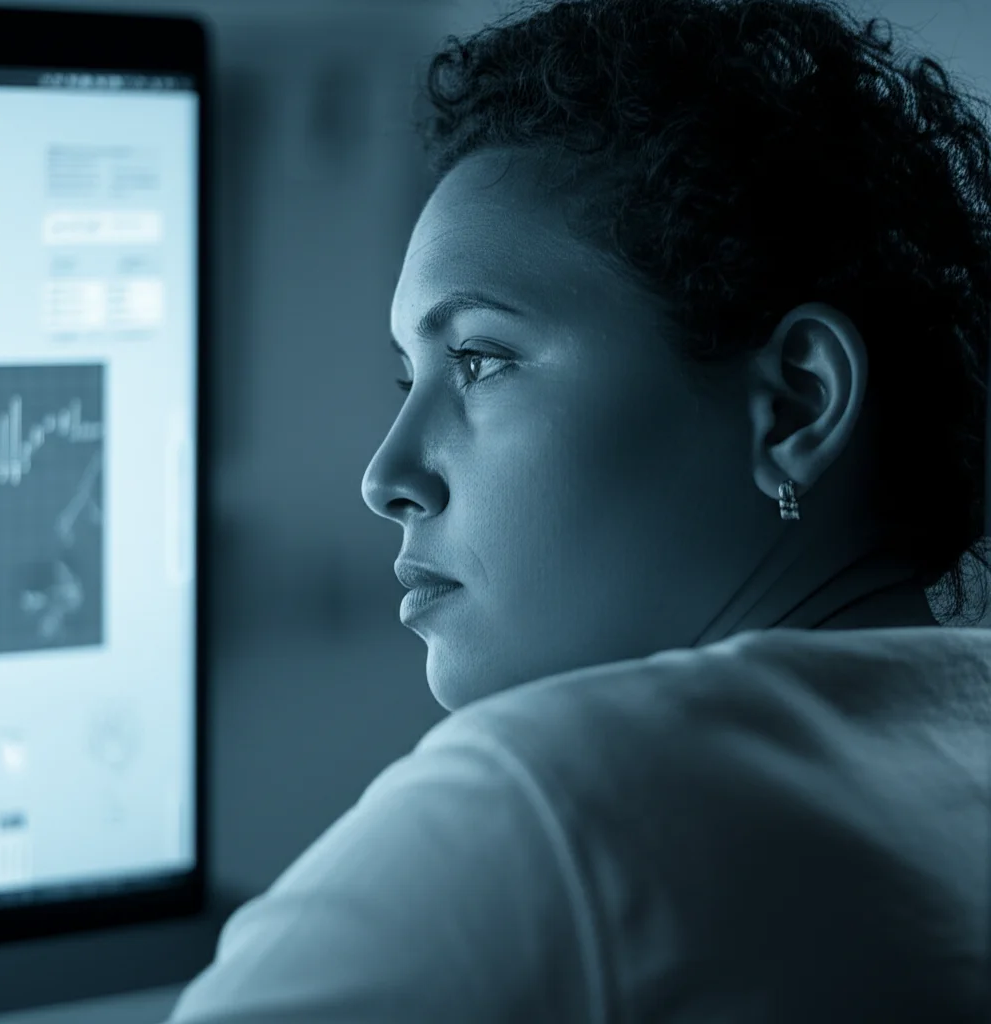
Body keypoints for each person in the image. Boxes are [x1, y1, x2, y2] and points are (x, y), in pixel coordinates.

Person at [166, 0, 991, 1020]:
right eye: (404, 378)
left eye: (477, 360)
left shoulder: (546, 805)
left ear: (793, 405)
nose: (387, 475)